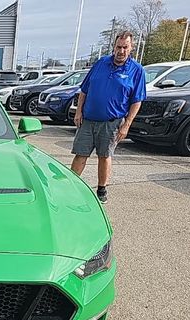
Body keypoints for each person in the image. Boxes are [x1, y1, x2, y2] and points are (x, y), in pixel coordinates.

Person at [71, 31, 146, 203]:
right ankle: (71, 185)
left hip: (111, 123)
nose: (121, 51)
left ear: (131, 47)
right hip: (88, 120)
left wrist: (127, 124)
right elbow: (84, 90)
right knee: (80, 154)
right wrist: (78, 111)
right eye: (118, 47)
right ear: (114, 47)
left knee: (104, 156)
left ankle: (101, 189)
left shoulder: (137, 71)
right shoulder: (101, 63)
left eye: (125, 47)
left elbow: (137, 100)